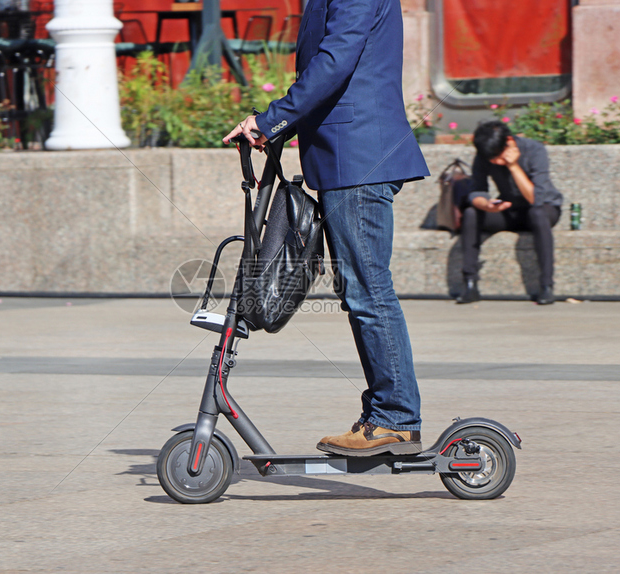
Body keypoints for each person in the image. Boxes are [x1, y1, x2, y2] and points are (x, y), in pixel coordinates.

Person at [223, 0, 430, 456]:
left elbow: (336, 60)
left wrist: (270, 119)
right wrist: (276, 127)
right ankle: (388, 413)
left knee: (367, 290)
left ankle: (395, 417)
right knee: (360, 290)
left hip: (359, 157)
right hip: (345, 157)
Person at [456, 121, 563, 305]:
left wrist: (513, 166)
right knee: (472, 213)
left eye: (498, 156)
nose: (496, 162)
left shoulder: (534, 150)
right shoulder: (484, 154)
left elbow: (535, 198)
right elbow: (476, 191)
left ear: (510, 141)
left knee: (537, 213)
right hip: (509, 209)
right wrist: (487, 205)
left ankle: (546, 286)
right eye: (492, 159)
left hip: (544, 209)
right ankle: (470, 284)